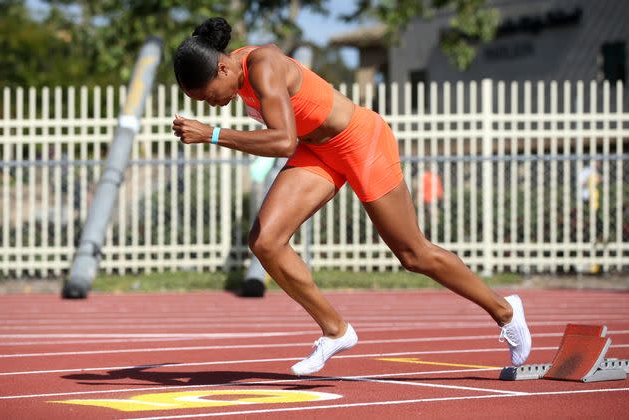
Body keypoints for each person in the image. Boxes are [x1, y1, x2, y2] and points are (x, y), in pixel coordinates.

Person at [172, 17, 531, 375]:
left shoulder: (263, 64)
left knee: (413, 253)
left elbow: (283, 140)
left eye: (207, 96)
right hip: (317, 152)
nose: (210, 105)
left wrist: (213, 134)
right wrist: (214, 131)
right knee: (265, 241)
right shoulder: (232, 76)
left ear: (222, 68)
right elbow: (294, 138)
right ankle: (335, 330)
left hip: (360, 142)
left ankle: (506, 311)